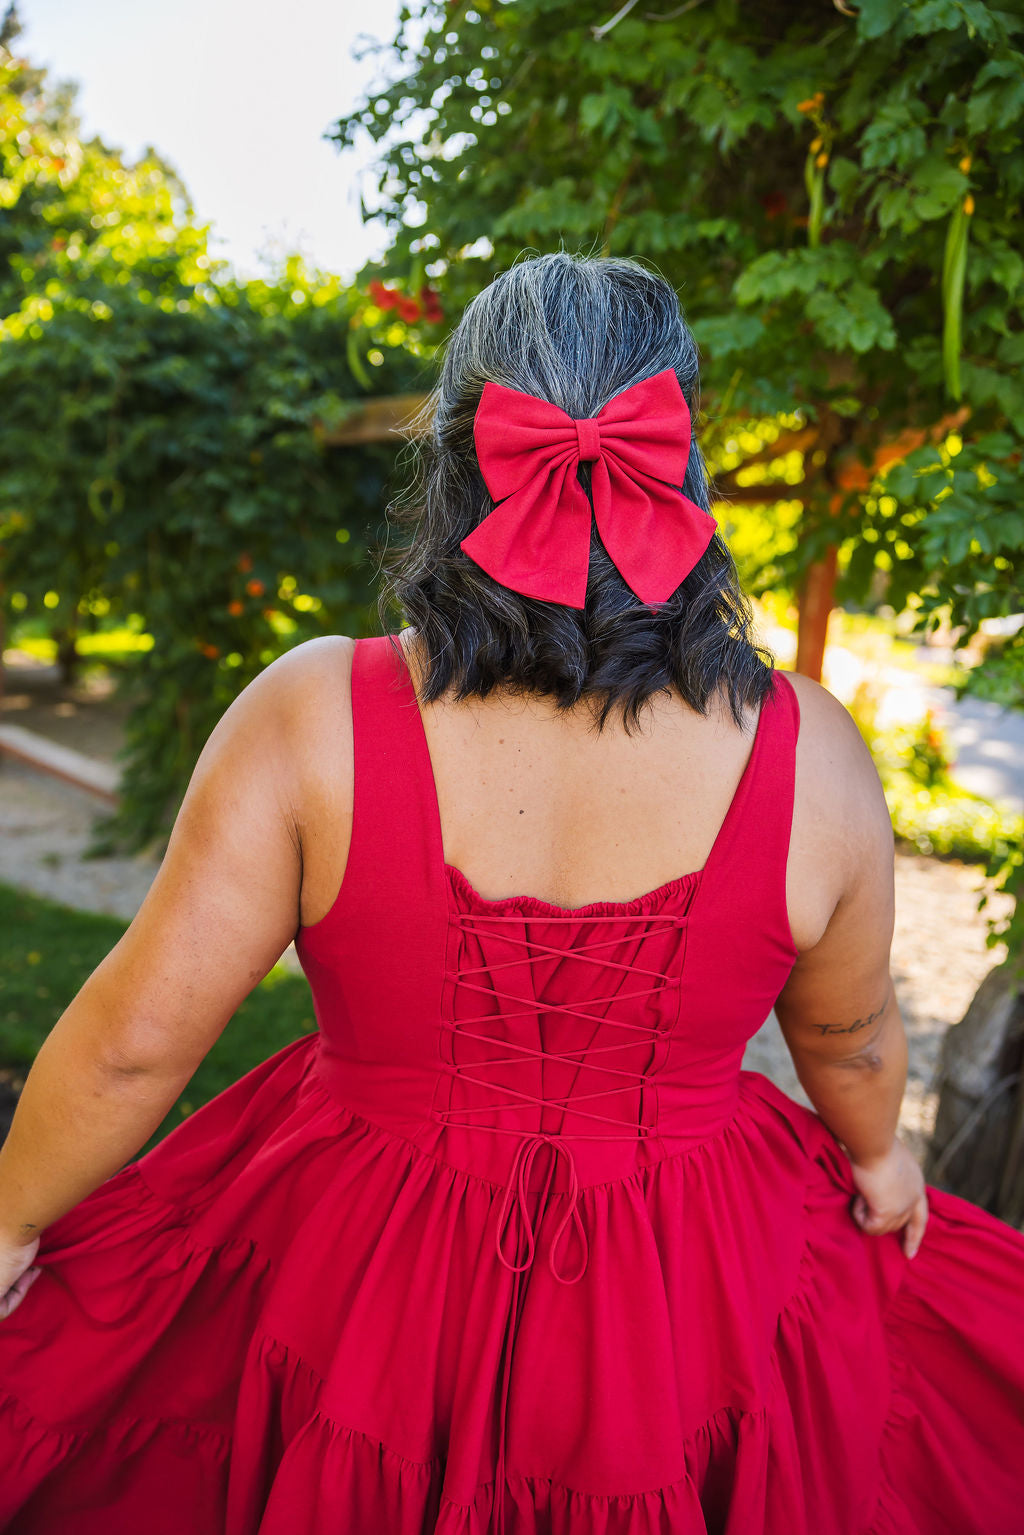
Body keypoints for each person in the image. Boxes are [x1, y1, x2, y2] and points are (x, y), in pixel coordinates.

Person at [0, 251, 1022, 1535]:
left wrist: (9, 1217)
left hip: (356, 1268)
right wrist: (879, 1157)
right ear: (681, 459)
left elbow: (138, 1045)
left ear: (458, 453)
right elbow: (850, 1030)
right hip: (686, 1280)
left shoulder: (313, 710)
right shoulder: (810, 749)